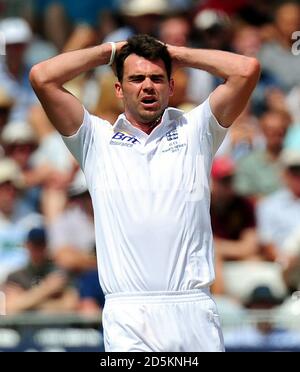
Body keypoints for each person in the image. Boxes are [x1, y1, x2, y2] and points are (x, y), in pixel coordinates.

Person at [30, 34, 260, 352]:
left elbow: (246, 69)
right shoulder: (96, 140)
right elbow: (42, 77)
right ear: (119, 89)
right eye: (136, 78)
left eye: (157, 78)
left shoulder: (195, 131)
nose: (147, 85)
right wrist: (111, 52)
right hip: (128, 315)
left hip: (192, 310)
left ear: (171, 86)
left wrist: (175, 53)